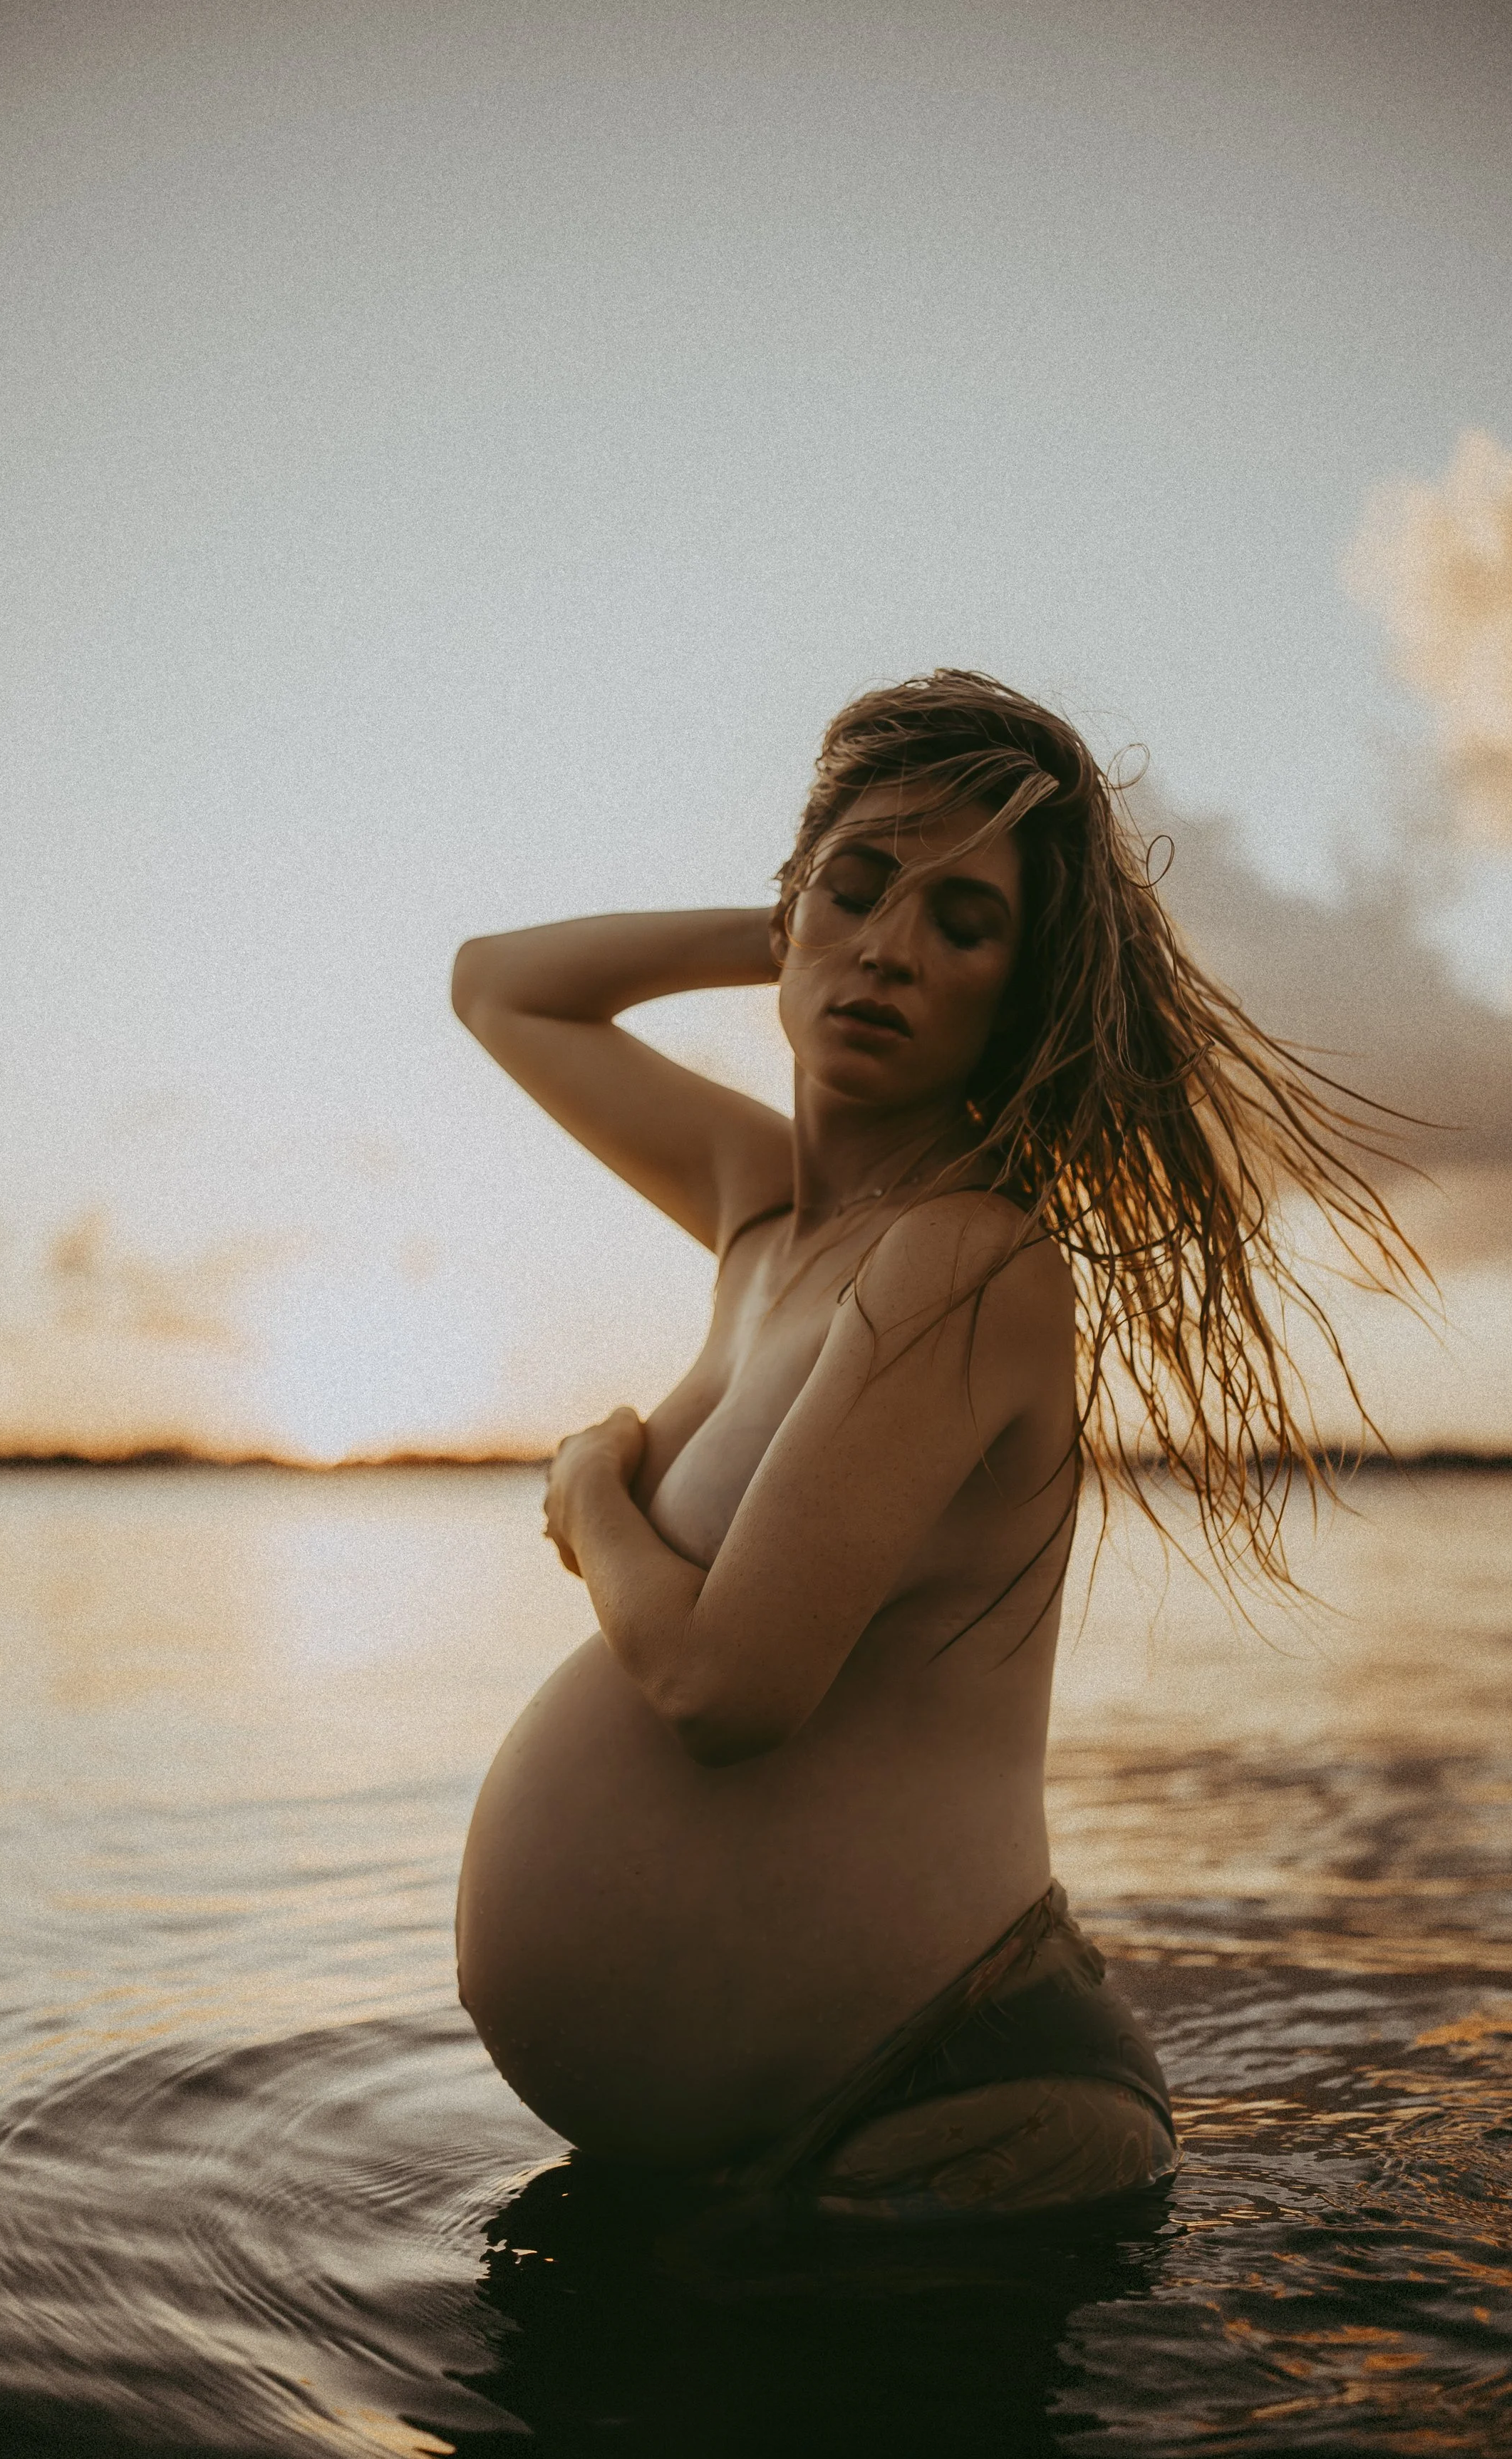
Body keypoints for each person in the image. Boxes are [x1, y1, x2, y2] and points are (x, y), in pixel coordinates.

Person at [451, 670, 1418, 2234]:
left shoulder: (961, 1259)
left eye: (962, 923)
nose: (891, 948)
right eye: (857, 891)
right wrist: (791, 925)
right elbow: (498, 988)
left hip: (949, 2121)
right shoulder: (764, 1217)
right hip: (795, 2155)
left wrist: (589, 1499)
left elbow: (722, 1691)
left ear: (1016, 989)